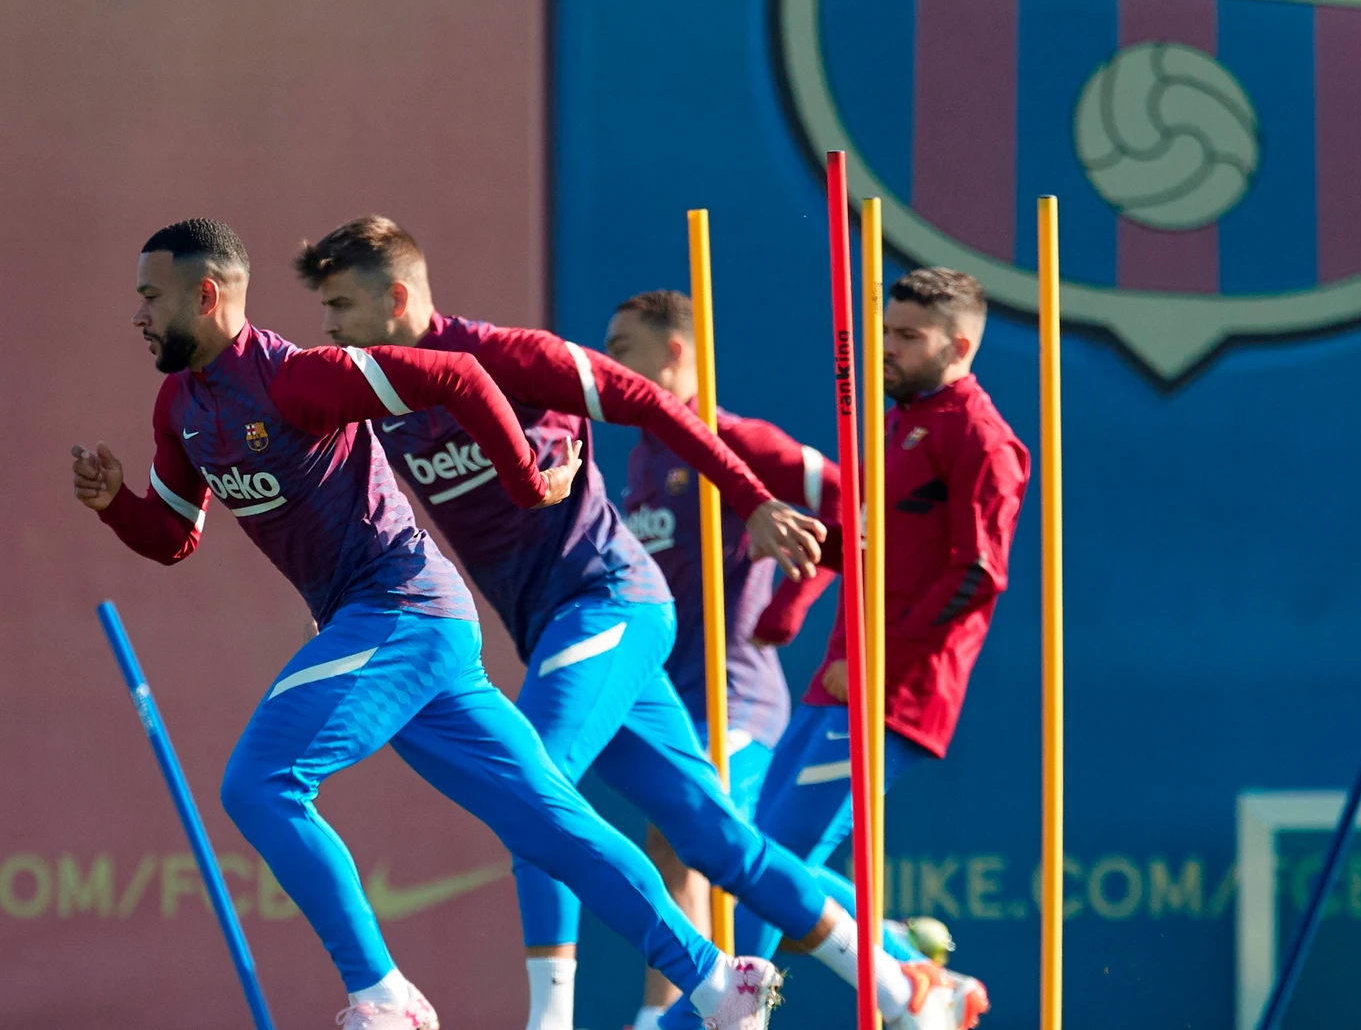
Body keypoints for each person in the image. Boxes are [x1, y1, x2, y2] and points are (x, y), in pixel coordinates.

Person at [70, 219, 779, 1030]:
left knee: (259, 783)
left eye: (150, 297)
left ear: (206, 295)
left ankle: (385, 995)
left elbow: (461, 376)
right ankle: (721, 981)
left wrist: (525, 481)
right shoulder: (179, 406)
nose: (139, 316)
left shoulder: (302, 379)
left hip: (400, 606)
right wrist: (115, 505)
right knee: (548, 821)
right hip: (407, 630)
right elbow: (173, 535)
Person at [296, 217, 976, 1030]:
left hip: (613, 599)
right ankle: (901, 986)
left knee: (531, 779)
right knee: (714, 838)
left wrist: (756, 503)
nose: (329, 327)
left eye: (340, 305)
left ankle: (553, 1019)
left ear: (397, 298)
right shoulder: (377, 401)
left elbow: (654, 403)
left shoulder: (511, 358)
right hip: (557, 630)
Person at [609, 290, 945, 1030]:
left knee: (699, 832)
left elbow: (854, 502)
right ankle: (891, 945)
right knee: (687, 843)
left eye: (622, 347)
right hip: (671, 694)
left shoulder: (731, 436)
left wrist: (790, 603)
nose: (609, 364)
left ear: (673, 353)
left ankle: (686, 1008)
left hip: (737, 696)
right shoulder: (641, 457)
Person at [735, 269, 1028, 1028]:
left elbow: (978, 573)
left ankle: (733, 1011)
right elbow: (872, 538)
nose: (886, 350)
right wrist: (800, 577)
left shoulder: (981, 437)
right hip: (839, 681)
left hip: (892, 690)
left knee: (767, 860)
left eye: (907, 337)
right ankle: (907, 960)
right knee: (750, 854)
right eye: (884, 333)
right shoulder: (898, 421)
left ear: (959, 345)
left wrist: (879, 657)